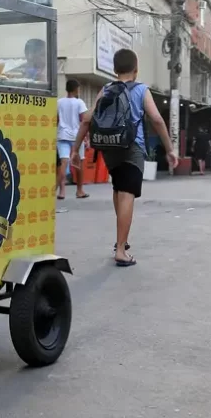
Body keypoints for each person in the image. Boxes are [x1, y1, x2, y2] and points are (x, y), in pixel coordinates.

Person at [72, 48, 177, 267]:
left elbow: (86, 120)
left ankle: (122, 240)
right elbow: (157, 120)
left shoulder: (107, 89)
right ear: (136, 70)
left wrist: (75, 148)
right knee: (127, 194)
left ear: (114, 69)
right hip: (131, 147)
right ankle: (120, 249)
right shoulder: (141, 89)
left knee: (119, 189)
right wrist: (169, 149)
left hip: (109, 148)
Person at [56, 78, 89, 200]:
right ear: (76, 89)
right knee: (78, 164)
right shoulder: (79, 102)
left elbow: (56, 120)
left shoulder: (59, 102)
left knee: (63, 164)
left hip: (62, 135)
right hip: (77, 138)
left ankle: (62, 191)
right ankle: (79, 190)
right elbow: (85, 120)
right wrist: (87, 137)